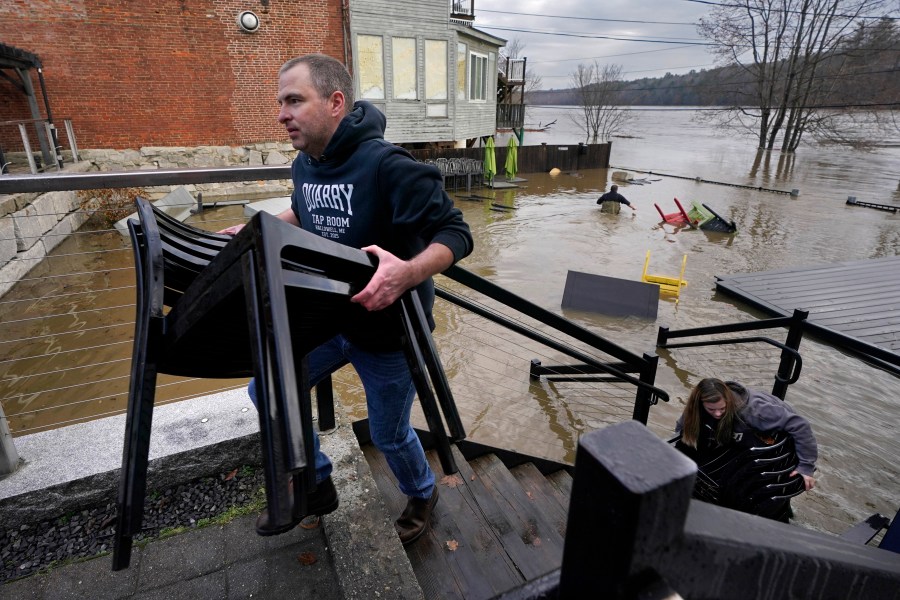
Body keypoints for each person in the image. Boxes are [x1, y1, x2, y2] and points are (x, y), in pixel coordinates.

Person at [219, 53, 474, 545]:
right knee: (266, 390)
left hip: (389, 332)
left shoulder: (389, 166)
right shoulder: (306, 163)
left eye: (294, 101)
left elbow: (456, 232)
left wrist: (408, 272)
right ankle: (315, 481)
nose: (281, 114)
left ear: (336, 102)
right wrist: (259, 227)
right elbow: (304, 211)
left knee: (389, 434)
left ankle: (423, 492)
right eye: (280, 103)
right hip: (330, 319)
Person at [675, 378, 818, 520]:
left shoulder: (754, 411)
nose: (718, 413)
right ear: (700, 403)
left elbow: (800, 425)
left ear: (728, 400)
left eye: (722, 409)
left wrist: (806, 466)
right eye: (711, 409)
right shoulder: (695, 408)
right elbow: (682, 429)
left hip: (780, 447)